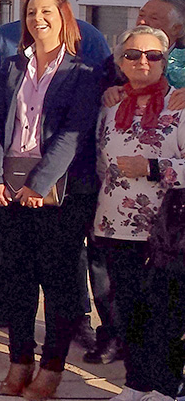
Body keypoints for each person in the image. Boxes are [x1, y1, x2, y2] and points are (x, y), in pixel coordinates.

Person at [0, 0, 100, 400]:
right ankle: (20, 359)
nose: (38, 19)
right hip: (11, 191)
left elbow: (73, 135)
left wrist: (40, 183)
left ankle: (52, 366)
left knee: (59, 283)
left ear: (64, 16)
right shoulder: (12, 67)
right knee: (15, 279)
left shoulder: (82, 73)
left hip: (60, 195)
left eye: (47, 11)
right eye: (31, 12)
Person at [91, 27, 181, 376]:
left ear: (164, 60)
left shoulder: (179, 105)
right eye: (132, 55)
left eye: (152, 55)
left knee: (165, 316)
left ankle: (165, 386)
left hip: (166, 233)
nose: (142, 61)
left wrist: (153, 167)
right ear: (120, 62)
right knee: (125, 311)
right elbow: (100, 163)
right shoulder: (110, 108)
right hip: (115, 227)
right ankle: (136, 382)